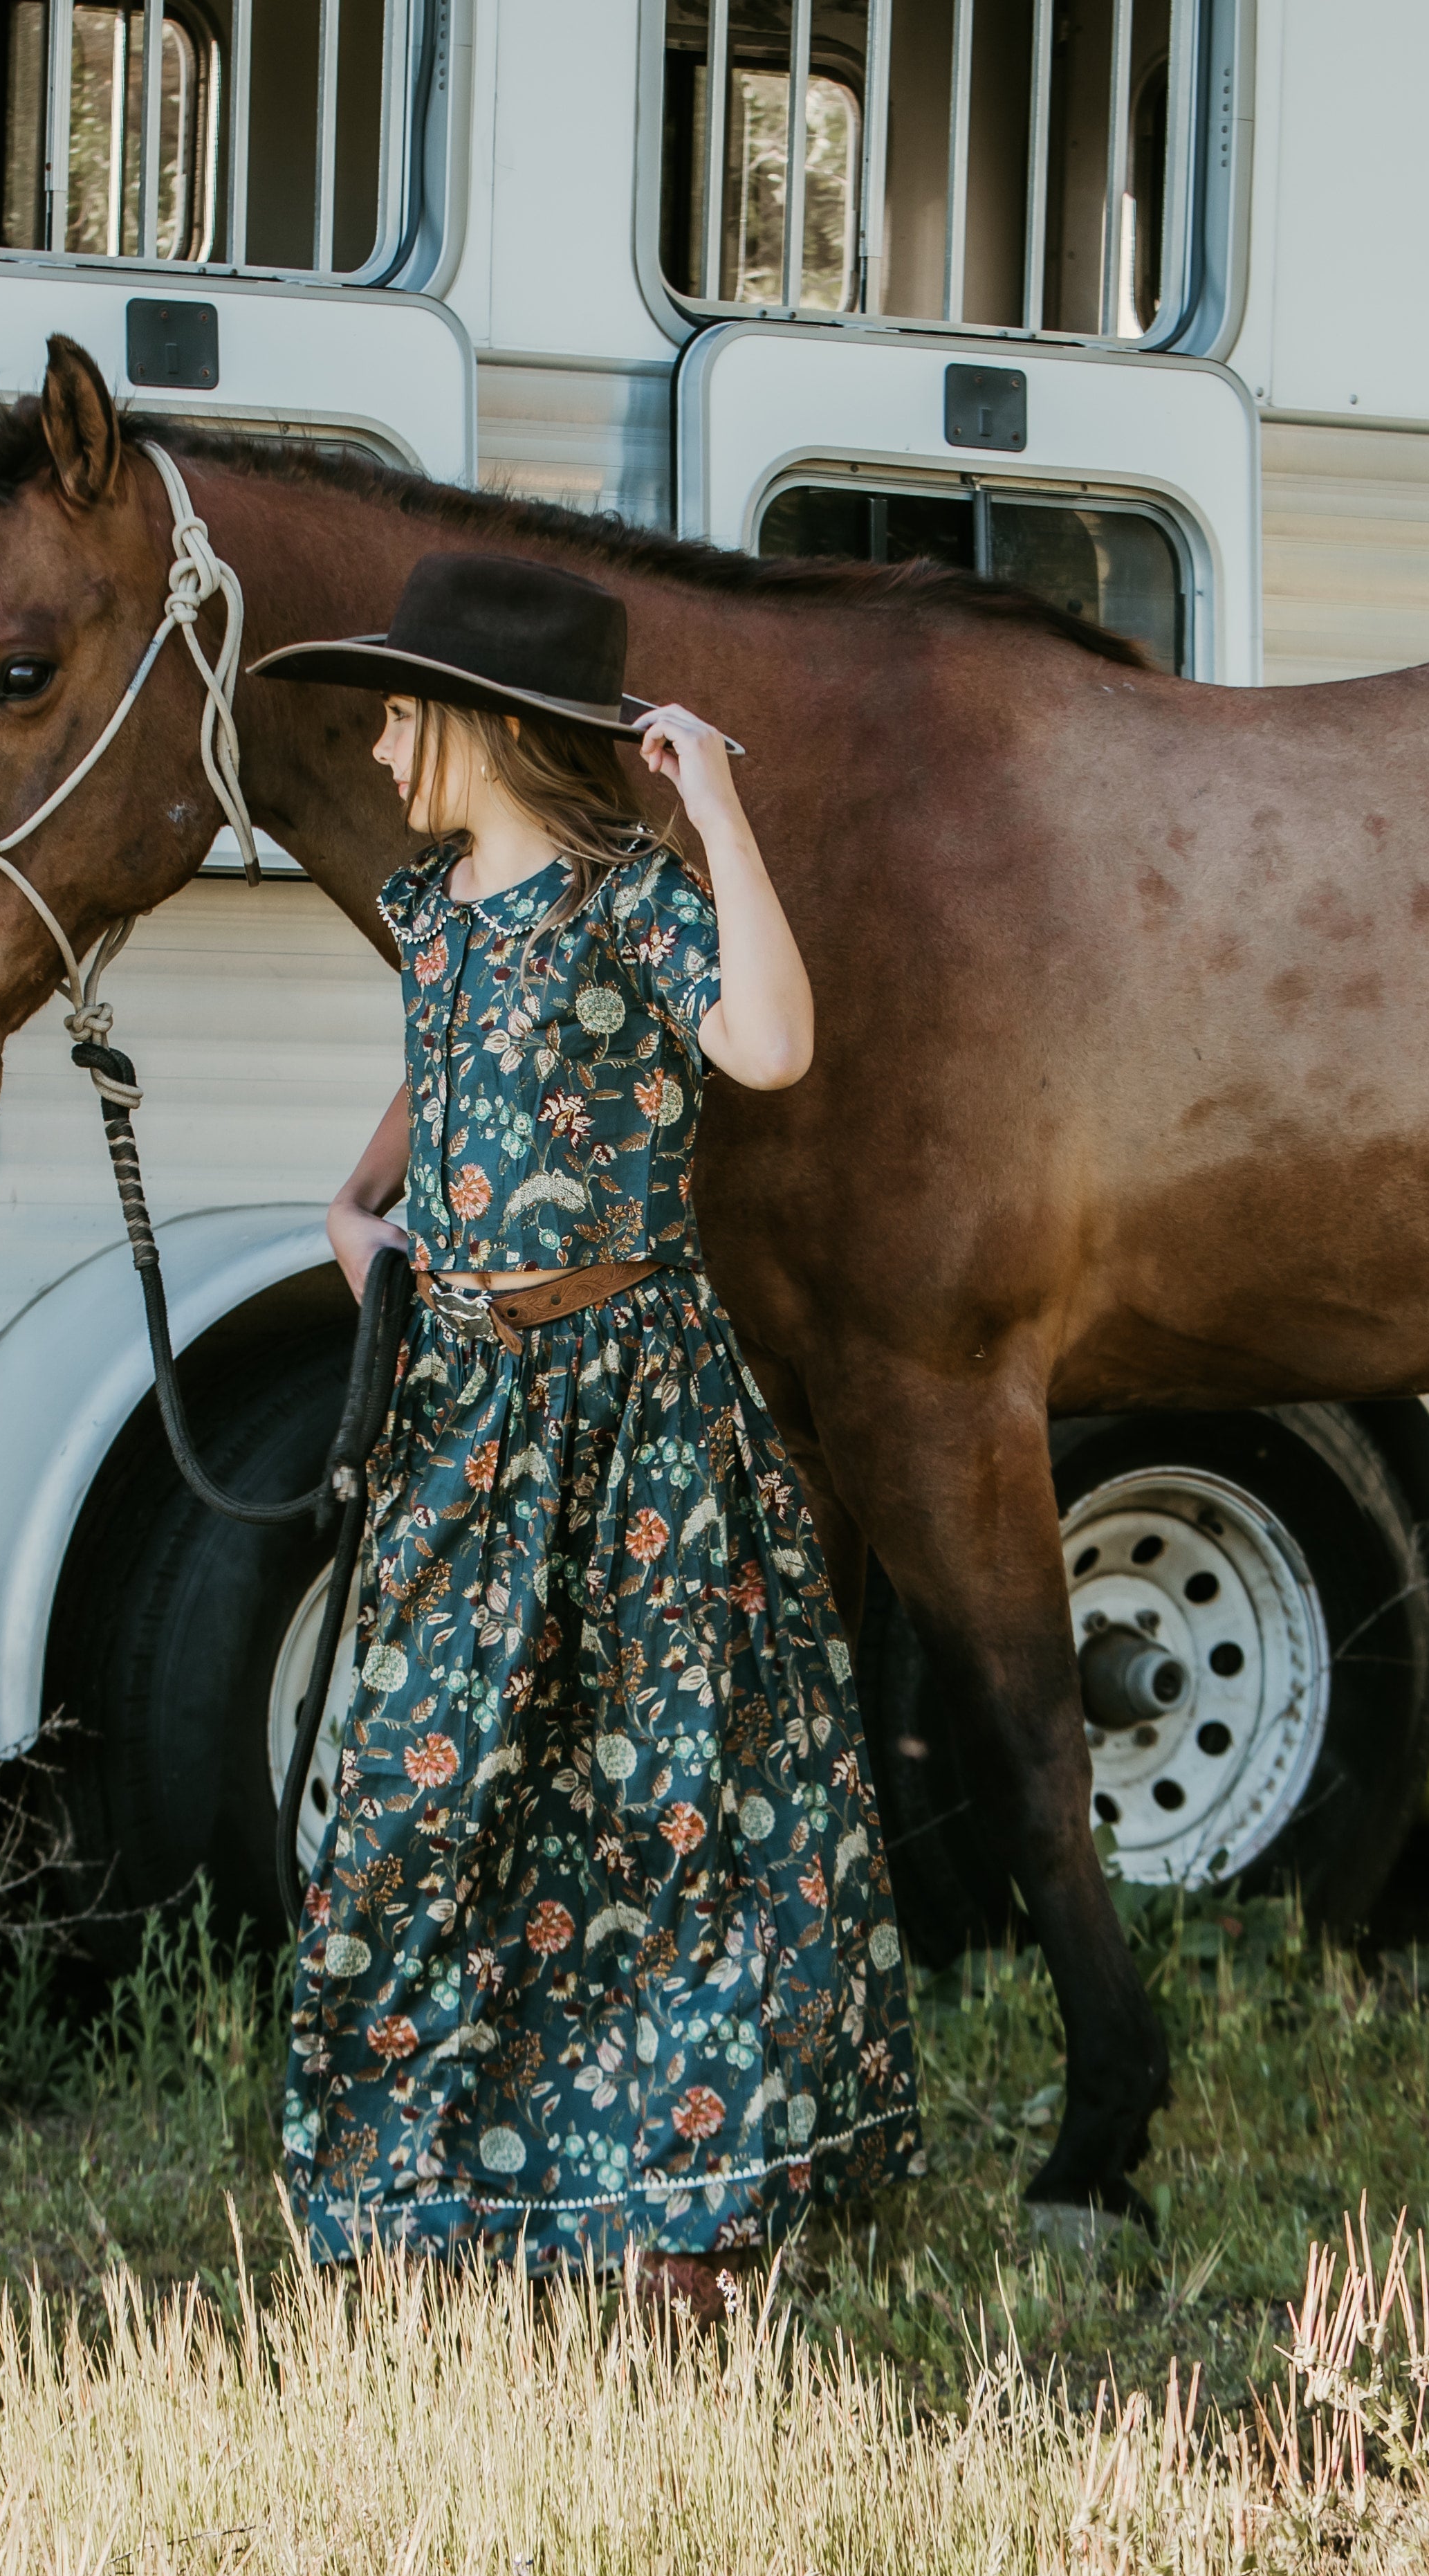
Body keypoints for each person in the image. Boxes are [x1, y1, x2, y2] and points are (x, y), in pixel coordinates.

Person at [250, 553, 919, 2314]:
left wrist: (715, 812)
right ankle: (419, 2197)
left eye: (404, 714)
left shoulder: (634, 902)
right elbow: (443, 1048)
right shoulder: (433, 908)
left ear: (479, 721)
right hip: (466, 1424)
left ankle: (679, 2205)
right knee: (421, 1795)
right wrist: (358, 1196)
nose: (384, 749)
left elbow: (769, 1044)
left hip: (634, 1418)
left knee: (665, 1808)